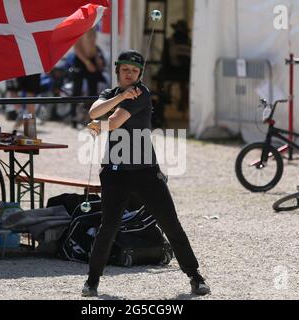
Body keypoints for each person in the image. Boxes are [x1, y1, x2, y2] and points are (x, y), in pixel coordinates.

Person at [82, 50, 210, 297]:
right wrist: (118, 98)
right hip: (114, 171)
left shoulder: (143, 94)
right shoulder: (111, 94)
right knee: (108, 228)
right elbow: (94, 112)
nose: (129, 74)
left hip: (145, 172)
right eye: (125, 70)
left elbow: (114, 122)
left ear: (140, 74)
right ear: (118, 71)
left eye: (134, 71)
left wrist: (100, 125)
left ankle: (195, 277)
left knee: (171, 225)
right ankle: (92, 282)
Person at [71, 28, 105, 128]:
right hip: (80, 60)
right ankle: (74, 117)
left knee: (93, 90)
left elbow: (92, 44)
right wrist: (87, 62)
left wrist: (97, 58)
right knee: (76, 90)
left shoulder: (93, 27)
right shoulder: (80, 27)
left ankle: (91, 116)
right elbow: (77, 48)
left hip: (91, 58)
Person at [158, 19, 191, 115]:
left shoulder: (169, 41)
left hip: (170, 71)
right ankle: (183, 105)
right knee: (184, 85)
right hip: (186, 73)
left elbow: (164, 59)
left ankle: (164, 102)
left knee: (160, 79)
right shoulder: (190, 42)